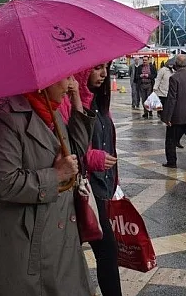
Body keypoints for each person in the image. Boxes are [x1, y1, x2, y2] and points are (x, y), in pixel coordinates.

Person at [0, 75, 94, 295]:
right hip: (25, 241)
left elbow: (76, 154)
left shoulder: (51, 111)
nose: (71, 83)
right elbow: (2, 183)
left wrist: (77, 98)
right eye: (66, 78)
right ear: (46, 79)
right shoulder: (4, 117)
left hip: (60, 240)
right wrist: (56, 174)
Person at [60, 64, 122, 296]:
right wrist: (93, 157)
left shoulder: (99, 101)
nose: (104, 74)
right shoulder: (69, 101)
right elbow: (67, 144)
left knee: (97, 249)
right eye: (97, 68)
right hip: (81, 186)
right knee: (105, 249)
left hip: (100, 185)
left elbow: (106, 140)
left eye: (106, 67)